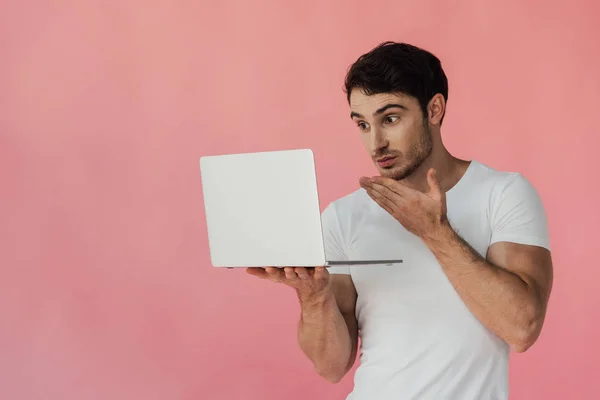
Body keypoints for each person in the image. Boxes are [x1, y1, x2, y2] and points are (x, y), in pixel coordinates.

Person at [246, 41, 554, 400]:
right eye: (362, 124)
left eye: (390, 119)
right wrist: (313, 296)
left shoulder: (503, 194)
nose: (376, 143)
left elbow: (522, 327)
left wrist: (434, 232)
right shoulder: (343, 217)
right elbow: (331, 367)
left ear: (434, 110)